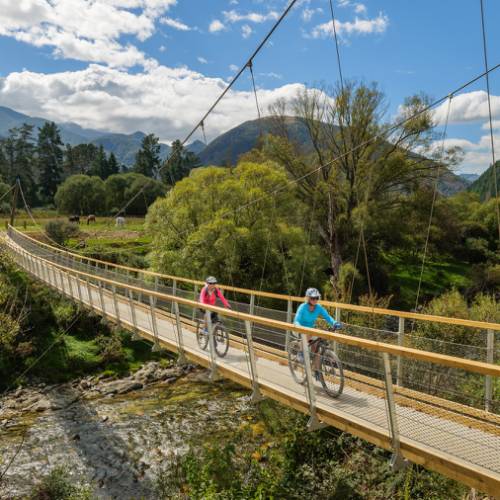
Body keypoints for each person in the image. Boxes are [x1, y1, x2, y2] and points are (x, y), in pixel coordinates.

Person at [293, 288, 342, 380]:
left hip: (310, 331)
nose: (315, 300)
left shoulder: (318, 307)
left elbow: (328, 317)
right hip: (298, 328)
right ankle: (300, 353)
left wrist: (334, 323)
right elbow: (296, 320)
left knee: (317, 348)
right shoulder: (302, 307)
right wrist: (300, 327)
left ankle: (316, 370)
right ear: (308, 298)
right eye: (312, 298)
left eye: (316, 298)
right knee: (308, 335)